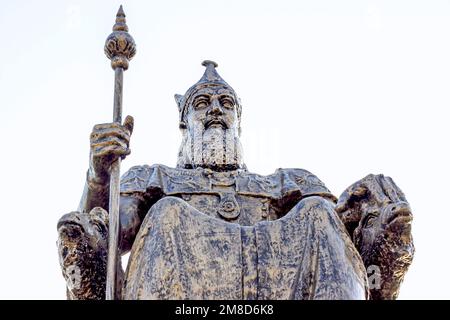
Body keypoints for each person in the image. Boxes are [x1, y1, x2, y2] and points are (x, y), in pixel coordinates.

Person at [57, 61, 413, 300]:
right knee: (168, 213)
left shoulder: (288, 182)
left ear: (238, 119)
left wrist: (379, 222)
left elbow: (343, 245)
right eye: (202, 103)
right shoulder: (154, 178)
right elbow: (104, 238)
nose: (215, 109)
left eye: (225, 103)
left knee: (319, 211)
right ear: (185, 122)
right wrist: (99, 177)